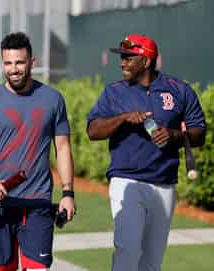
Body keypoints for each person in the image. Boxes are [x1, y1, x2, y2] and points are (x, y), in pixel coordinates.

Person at [86, 34, 206, 271]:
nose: (122, 63)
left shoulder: (180, 91)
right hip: (126, 180)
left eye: (128, 58)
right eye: (122, 58)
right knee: (128, 250)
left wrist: (174, 135)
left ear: (146, 61)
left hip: (164, 184)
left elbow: (199, 134)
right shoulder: (114, 92)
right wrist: (122, 118)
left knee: (152, 262)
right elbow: (93, 131)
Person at [0, 32, 76, 271]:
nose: (13, 69)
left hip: (37, 204)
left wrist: (68, 192)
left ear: (32, 62)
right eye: (8, 63)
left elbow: (63, 147)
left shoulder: (53, 99)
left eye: (19, 62)